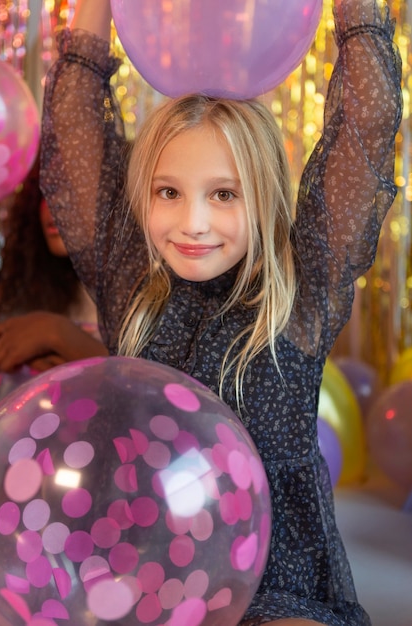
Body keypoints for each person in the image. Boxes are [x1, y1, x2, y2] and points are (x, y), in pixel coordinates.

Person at [39, 0, 403, 623]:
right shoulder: (134, 290)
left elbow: (362, 128)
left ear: (261, 197)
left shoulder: (300, 287)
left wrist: (356, 13)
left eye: (224, 194)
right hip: (150, 572)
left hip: (275, 579)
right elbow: (76, 128)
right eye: (169, 193)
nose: (193, 224)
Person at [0, 152, 108, 383]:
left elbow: (154, 387)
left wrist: (57, 334)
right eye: (48, 190)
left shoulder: (156, 294)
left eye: (75, 189)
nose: (55, 204)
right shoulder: (30, 285)